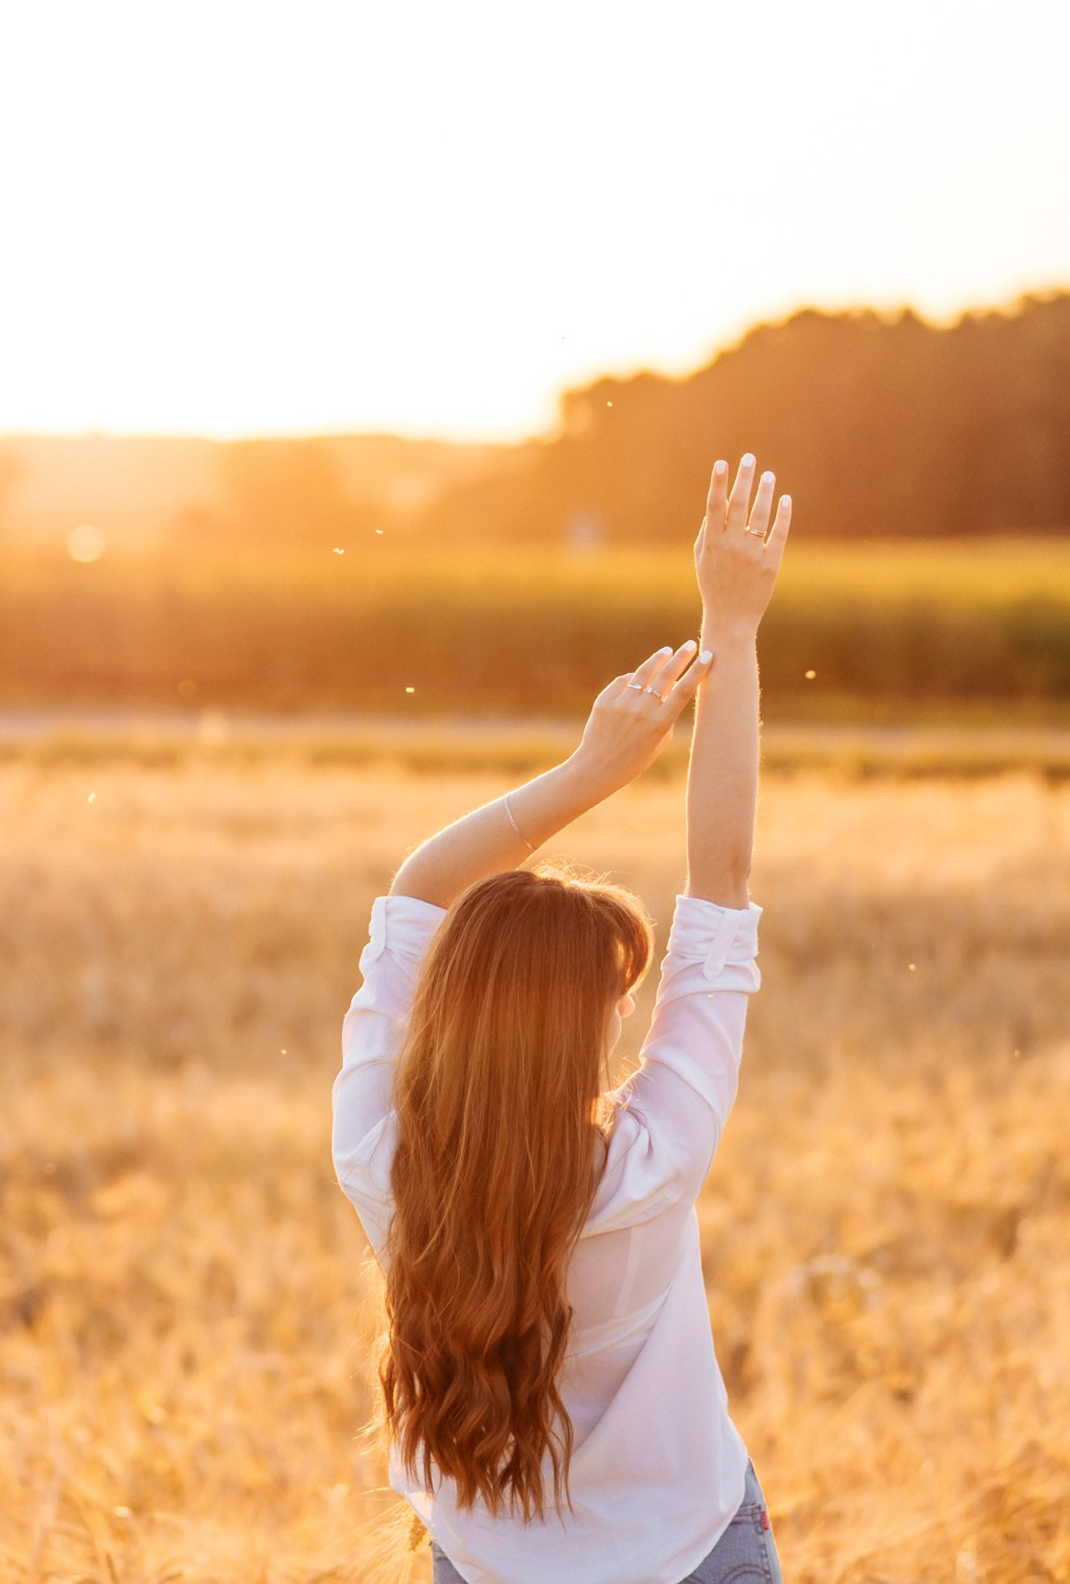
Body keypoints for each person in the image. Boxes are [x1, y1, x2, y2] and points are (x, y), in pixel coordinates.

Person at [331, 455, 792, 1584]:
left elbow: (414, 891)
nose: (627, 1009)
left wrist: (590, 772)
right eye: (613, 998)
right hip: (691, 1554)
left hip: (481, 1563)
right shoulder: (646, 1162)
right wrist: (728, 626)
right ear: (582, 1031)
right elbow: (721, 879)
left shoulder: (376, 1152)